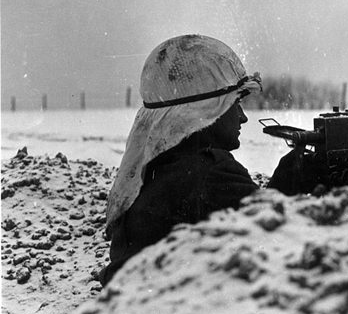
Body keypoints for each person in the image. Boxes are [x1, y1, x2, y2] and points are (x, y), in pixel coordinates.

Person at [101, 34, 271, 285]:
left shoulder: (154, 168)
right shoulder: (211, 172)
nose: (243, 117)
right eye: (235, 104)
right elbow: (281, 242)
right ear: (205, 110)